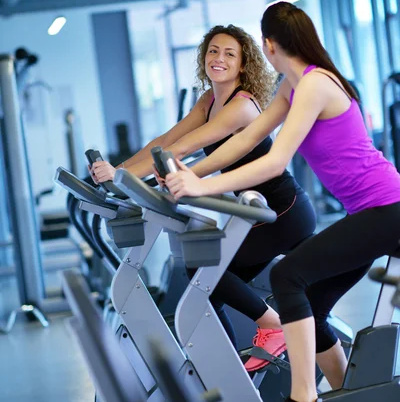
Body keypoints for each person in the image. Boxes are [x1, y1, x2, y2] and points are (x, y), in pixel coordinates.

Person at [165, 2, 400, 402]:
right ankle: (351, 399)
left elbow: (274, 161)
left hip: (386, 210)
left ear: (270, 46)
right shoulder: (293, 89)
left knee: (288, 275)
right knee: (310, 298)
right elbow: (248, 140)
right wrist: (190, 175)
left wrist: (201, 188)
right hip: (371, 213)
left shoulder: (314, 85)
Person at [91, 24, 316, 369]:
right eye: (213, 51)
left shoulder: (241, 107)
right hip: (256, 211)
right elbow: (165, 141)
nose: (219, 58)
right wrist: (116, 170)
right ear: (204, 57)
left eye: (229, 54)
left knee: (203, 270)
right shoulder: (209, 99)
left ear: (243, 65)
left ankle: (271, 325)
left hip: (283, 212)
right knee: (205, 286)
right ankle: (225, 367)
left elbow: (184, 148)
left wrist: (123, 177)